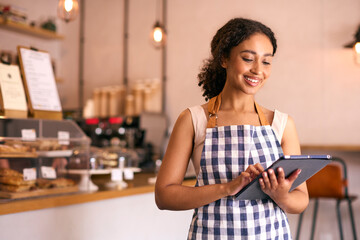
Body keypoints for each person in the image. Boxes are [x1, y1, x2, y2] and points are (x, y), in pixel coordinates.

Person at [155, 18, 309, 239]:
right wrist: (227, 188)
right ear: (224, 58)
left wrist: (281, 195)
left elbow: (301, 199)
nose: (258, 70)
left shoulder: (282, 124)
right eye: (248, 58)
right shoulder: (193, 119)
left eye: (266, 62)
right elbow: (164, 196)